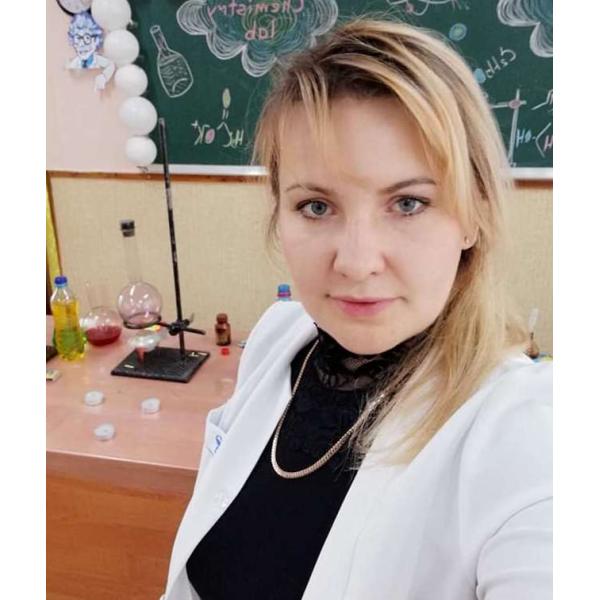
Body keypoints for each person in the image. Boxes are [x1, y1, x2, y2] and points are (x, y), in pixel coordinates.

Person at [162, 18, 552, 600]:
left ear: (473, 216)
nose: (357, 262)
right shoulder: (278, 337)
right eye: (316, 207)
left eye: (409, 203)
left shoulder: (529, 430)